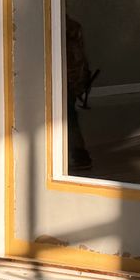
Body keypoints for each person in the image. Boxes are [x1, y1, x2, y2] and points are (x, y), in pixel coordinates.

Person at [64, 15, 93, 172]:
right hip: (73, 79)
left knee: (70, 117)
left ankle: (78, 154)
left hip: (68, 79)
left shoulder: (65, 29)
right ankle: (78, 154)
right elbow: (81, 58)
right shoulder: (74, 28)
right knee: (70, 117)